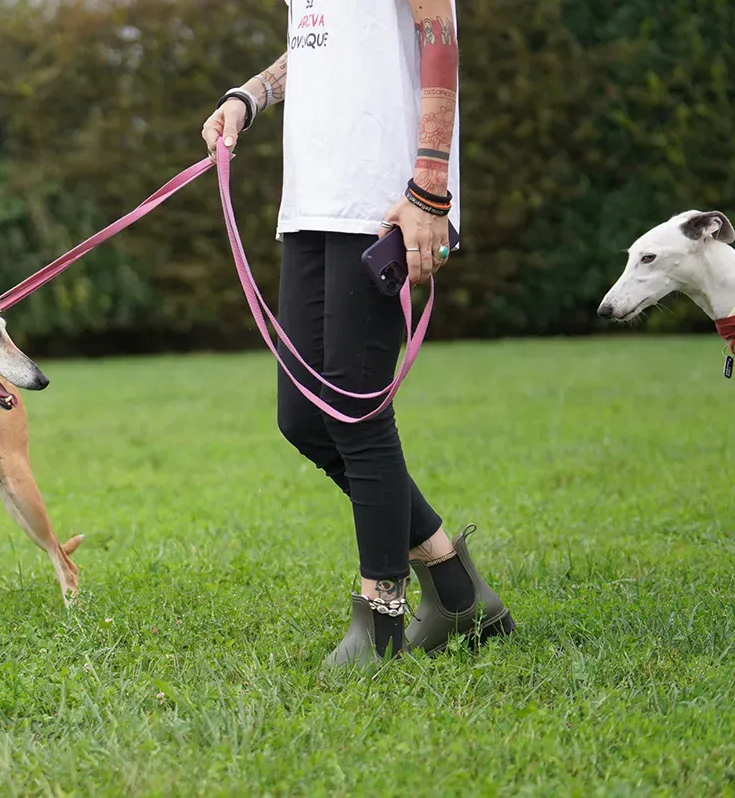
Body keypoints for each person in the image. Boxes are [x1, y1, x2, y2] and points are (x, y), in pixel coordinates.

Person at [199, 0, 514, 666]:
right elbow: (328, 48)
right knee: (303, 418)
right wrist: (248, 97)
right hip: (312, 196)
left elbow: (437, 35)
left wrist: (428, 187)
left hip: (381, 200)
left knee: (355, 411)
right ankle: (454, 587)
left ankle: (381, 616)